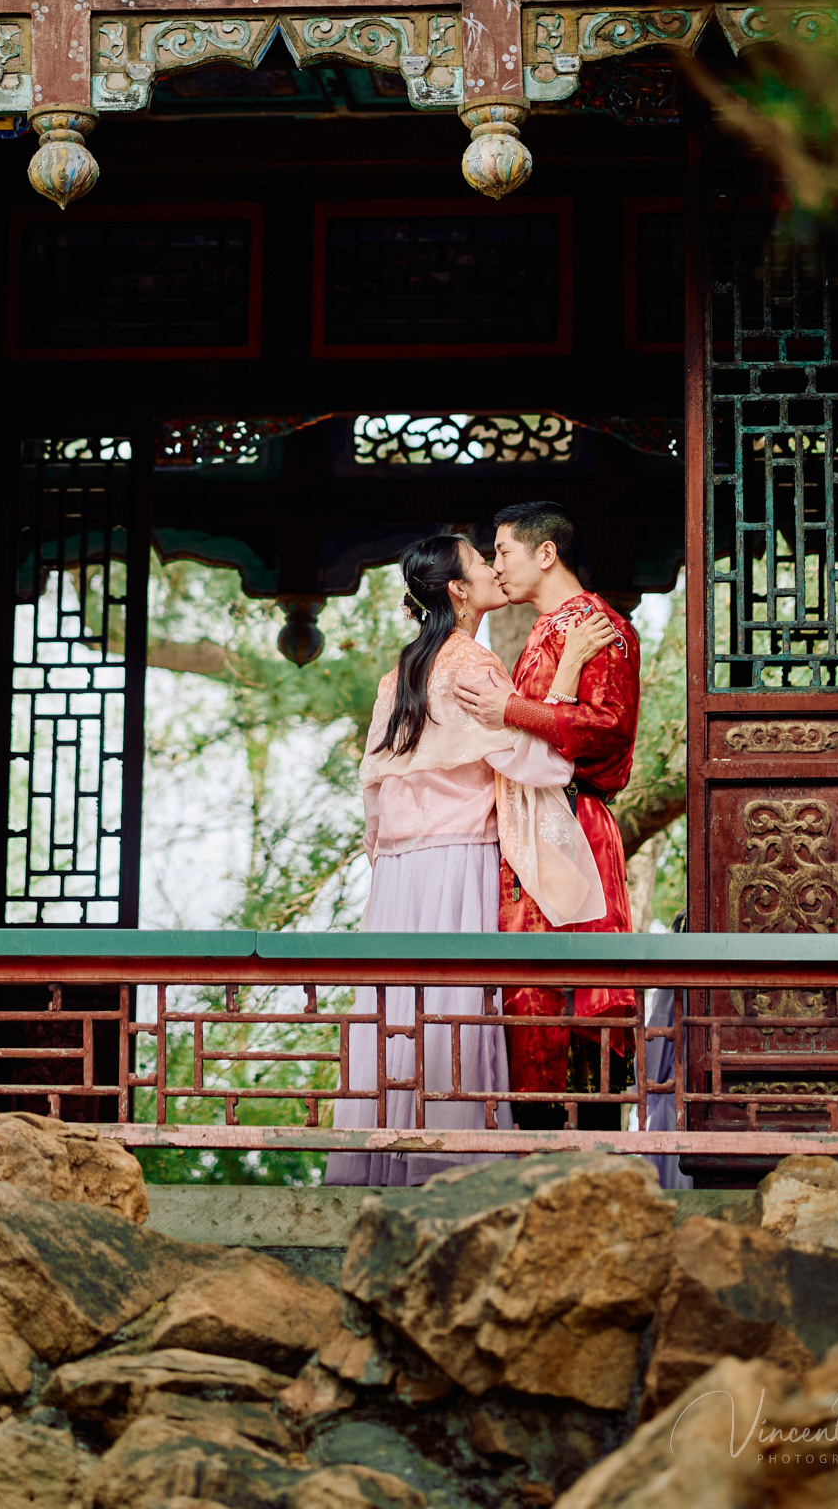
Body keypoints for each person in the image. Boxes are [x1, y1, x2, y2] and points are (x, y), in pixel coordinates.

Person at [327, 531, 616, 1185]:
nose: (492, 568)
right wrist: (567, 672)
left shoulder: (396, 675)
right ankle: (452, 1171)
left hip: (398, 874)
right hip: (458, 858)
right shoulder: (473, 667)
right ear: (458, 590)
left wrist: (387, 864)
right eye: (480, 562)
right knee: (455, 1009)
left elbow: (373, 797)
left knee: (395, 1014)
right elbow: (535, 761)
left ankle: (379, 1164)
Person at [452, 500, 640, 1129]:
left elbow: (609, 730)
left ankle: (589, 1156)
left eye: (502, 551)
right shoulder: (546, 629)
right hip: (527, 824)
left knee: (575, 989)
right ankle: (531, 1149)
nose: (496, 566)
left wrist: (511, 710)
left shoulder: (597, 625)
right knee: (527, 991)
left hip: (574, 824)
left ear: (545, 552)